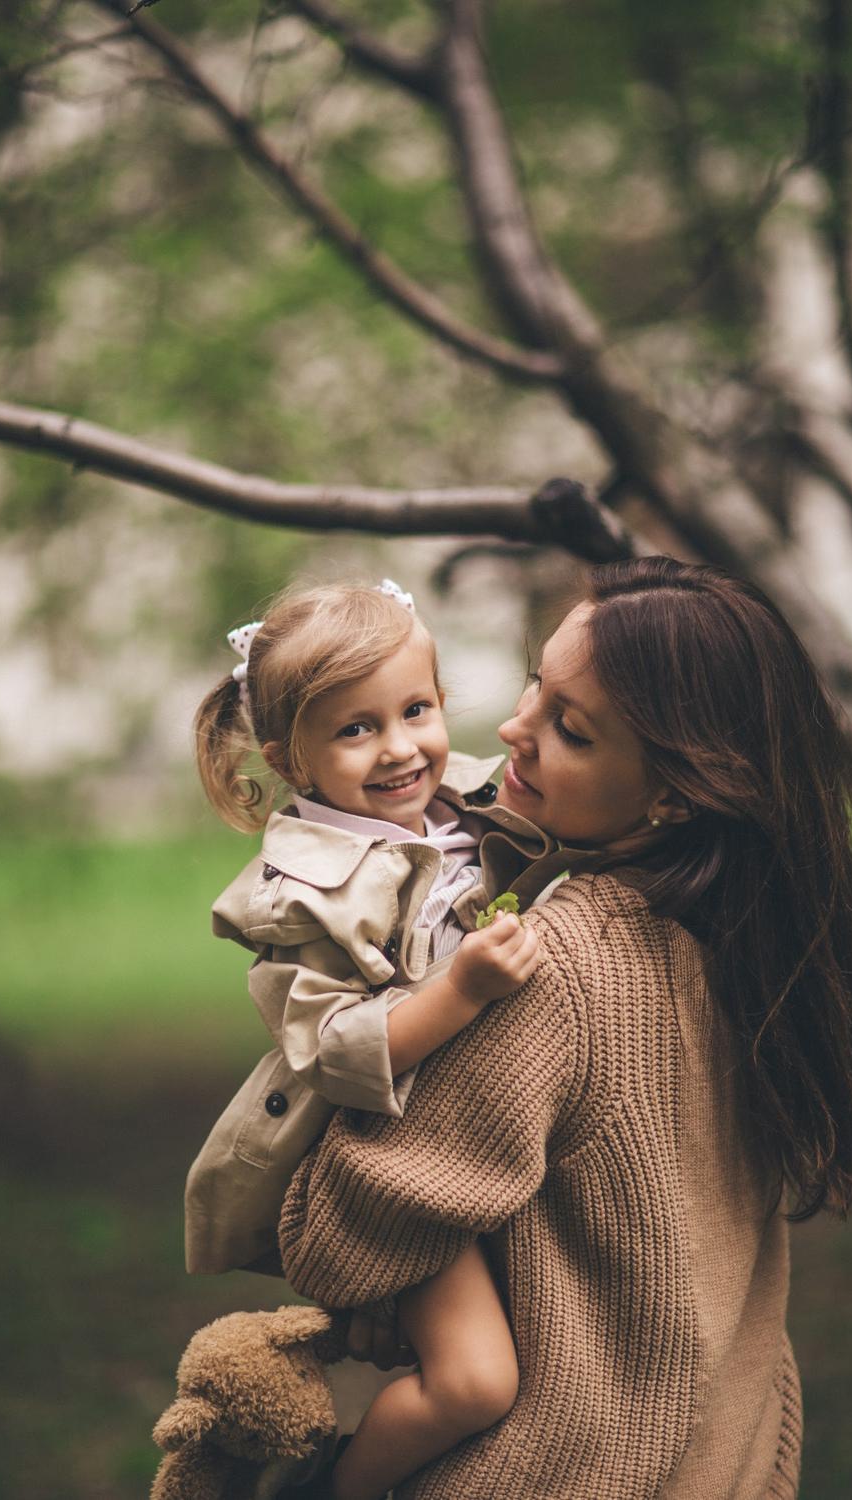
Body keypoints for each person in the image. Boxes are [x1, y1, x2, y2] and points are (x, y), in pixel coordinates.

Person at [279, 556, 852, 1500]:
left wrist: (394, 1287)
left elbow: (339, 1232)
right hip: (723, 1452)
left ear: (674, 793)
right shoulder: (752, 948)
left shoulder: (557, 969)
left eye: (570, 729)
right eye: (537, 685)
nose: (514, 730)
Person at [186, 579, 556, 1500]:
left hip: (493, 1129)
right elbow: (337, 1051)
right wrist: (462, 985)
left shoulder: (471, 802)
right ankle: (334, 1487)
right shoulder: (297, 895)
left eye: (416, 709)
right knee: (475, 1381)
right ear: (290, 757)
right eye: (356, 730)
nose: (399, 749)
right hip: (386, 1164)